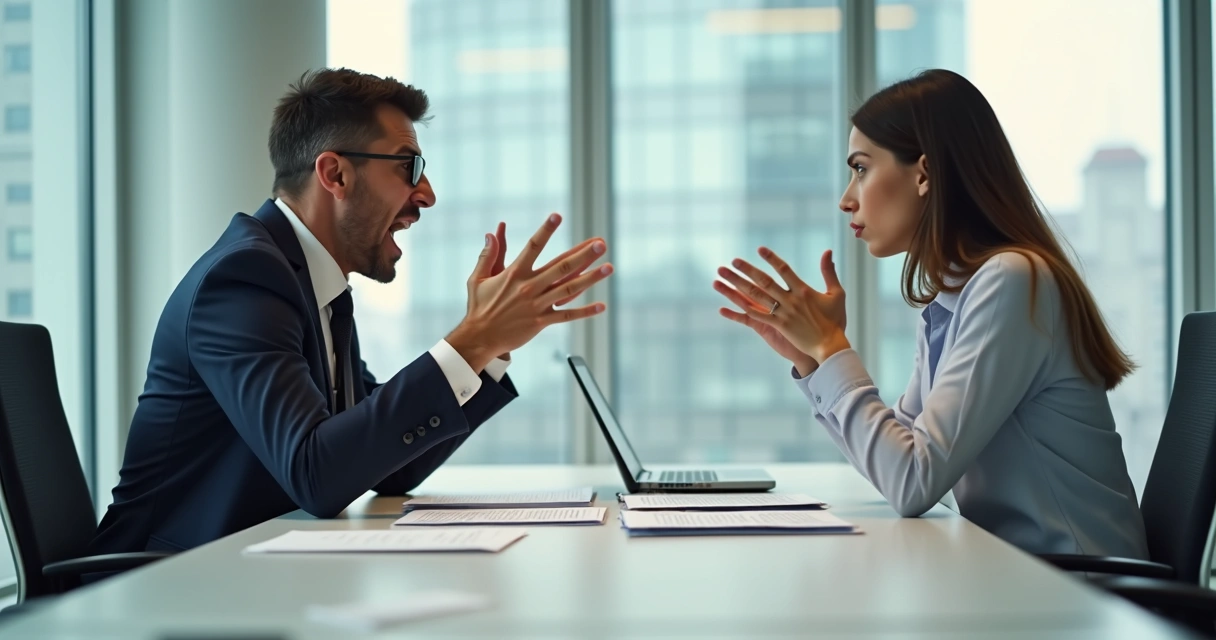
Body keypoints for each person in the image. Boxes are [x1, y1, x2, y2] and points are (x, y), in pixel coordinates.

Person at [91, 68, 612, 554]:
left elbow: (384, 467)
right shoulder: (244, 280)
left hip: (247, 580)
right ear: (335, 174)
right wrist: (469, 341)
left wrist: (487, 349)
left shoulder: (314, 284)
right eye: (411, 167)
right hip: (156, 589)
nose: (426, 195)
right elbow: (316, 475)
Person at [713, 69, 1148, 558]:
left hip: (1086, 597)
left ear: (923, 174)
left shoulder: (1011, 279)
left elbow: (913, 481)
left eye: (860, 168)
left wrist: (833, 348)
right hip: (1023, 578)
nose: (846, 198)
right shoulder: (952, 298)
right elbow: (897, 458)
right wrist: (815, 360)